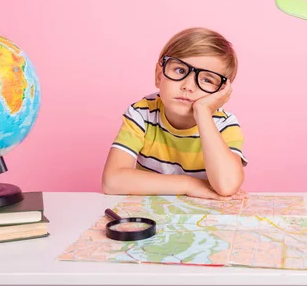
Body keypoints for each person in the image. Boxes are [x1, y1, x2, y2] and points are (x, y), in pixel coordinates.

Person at [101, 27, 247, 200]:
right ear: (158, 75)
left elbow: (227, 185)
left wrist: (203, 112)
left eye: (207, 80)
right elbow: (111, 181)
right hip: (151, 214)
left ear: (221, 92)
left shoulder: (224, 124)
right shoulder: (142, 114)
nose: (188, 86)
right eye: (180, 70)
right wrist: (189, 185)